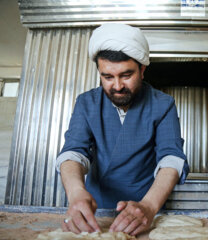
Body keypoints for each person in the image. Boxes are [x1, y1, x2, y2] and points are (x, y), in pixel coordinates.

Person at [55, 23, 189, 236]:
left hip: (145, 211)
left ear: (142, 70)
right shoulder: (86, 103)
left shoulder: (163, 105)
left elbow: (171, 159)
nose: (117, 86)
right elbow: (74, 152)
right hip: (96, 212)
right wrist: (76, 193)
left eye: (126, 75)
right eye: (107, 77)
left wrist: (149, 206)